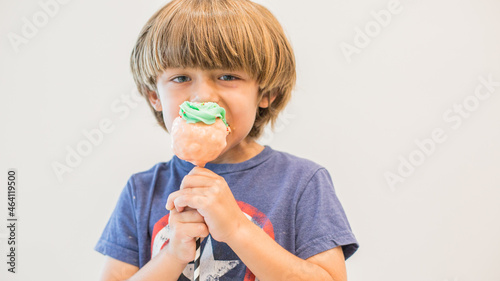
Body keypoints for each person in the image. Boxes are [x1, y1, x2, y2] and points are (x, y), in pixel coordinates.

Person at [94, 0, 359, 280]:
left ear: (267, 93)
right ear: (155, 96)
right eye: (181, 77)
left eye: (227, 76)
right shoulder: (142, 191)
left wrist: (236, 229)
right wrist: (172, 255)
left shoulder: (302, 182)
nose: (203, 96)